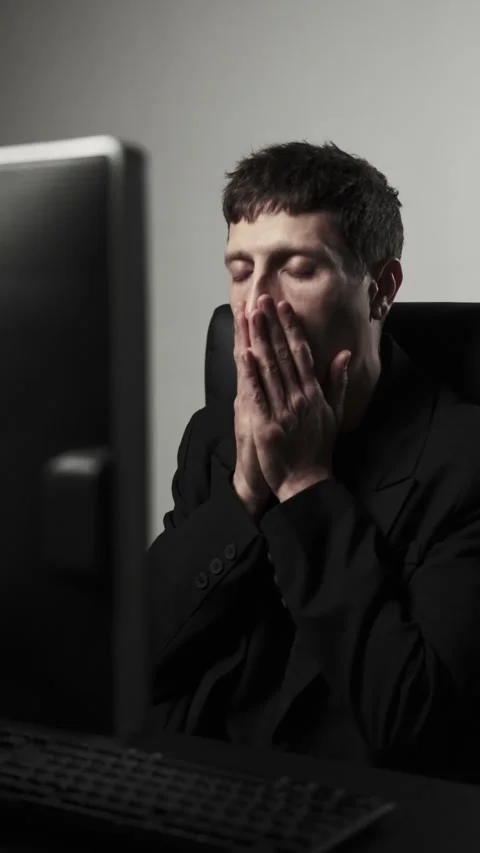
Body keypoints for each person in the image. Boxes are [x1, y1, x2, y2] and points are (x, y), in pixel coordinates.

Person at [143, 141, 480, 783]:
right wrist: (243, 491)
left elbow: (418, 728)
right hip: (190, 798)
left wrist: (302, 485)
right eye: (240, 270)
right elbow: (132, 664)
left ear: (381, 290)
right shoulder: (213, 439)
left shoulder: (465, 463)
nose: (255, 304)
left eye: (296, 268)